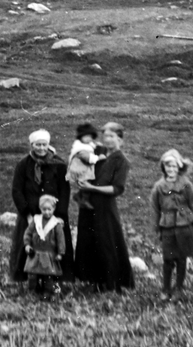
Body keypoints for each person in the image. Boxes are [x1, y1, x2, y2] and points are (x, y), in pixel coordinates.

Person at [74, 122, 135, 292]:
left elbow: (117, 189)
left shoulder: (121, 161)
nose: (108, 140)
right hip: (87, 204)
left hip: (105, 207)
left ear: (120, 140)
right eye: (105, 136)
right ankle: (93, 281)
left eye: (112, 136)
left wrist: (93, 188)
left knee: (107, 243)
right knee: (88, 241)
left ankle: (112, 284)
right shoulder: (98, 152)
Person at [9, 130, 70, 287]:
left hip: (53, 214)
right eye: (38, 145)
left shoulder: (60, 165)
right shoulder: (23, 165)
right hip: (31, 214)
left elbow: (64, 190)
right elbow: (17, 190)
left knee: (55, 245)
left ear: (49, 145)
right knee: (29, 244)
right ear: (32, 145)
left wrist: (60, 216)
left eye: (44, 144)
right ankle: (28, 280)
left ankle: (55, 281)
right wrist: (27, 214)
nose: (41, 148)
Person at [149, 148, 193, 300]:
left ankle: (178, 288)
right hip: (167, 225)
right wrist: (156, 229)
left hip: (184, 224)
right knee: (168, 258)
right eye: (168, 166)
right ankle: (166, 288)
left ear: (179, 167)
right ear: (163, 167)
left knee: (181, 258)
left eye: (174, 166)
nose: (171, 169)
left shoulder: (186, 184)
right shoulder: (158, 187)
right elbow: (154, 209)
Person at [22, 194, 66, 298]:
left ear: (54, 209)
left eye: (49, 209)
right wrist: (27, 245)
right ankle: (33, 291)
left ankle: (47, 292)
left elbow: (61, 239)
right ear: (40, 209)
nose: (47, 212)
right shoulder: (36, 220)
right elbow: (28, 233)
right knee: (32, 274)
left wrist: (60, 253)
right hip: (35, 253)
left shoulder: (56, 223)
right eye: (44, 209)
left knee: (48, 275)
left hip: (48, 254)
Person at [68, 122, 105, 213]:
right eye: (86, 137)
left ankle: (80, 195)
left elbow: (91, 146)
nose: (88, 139)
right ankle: (83, 198)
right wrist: (98, 158)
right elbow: (88, 158)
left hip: (83, 167)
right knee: (87, 182)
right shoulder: (80, 148)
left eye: (90, 137)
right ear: (81, 137)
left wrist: (96, 145)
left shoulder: (86, 144)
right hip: (80, 168)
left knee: (88, 181)